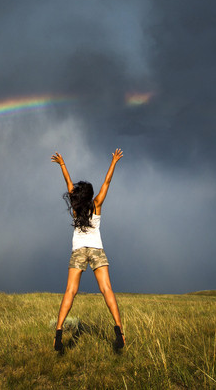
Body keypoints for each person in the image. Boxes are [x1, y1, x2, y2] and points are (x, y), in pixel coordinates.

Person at [51, 148, 125, 352]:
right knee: (106, 289)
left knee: (70, 291)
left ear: (78, 196)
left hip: (78, 251)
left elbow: (68, 184)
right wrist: (114, 162)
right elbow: (107, 182)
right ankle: (119, 331)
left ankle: (58, 333)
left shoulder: (76, 208)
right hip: (96, 250)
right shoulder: (97, 205)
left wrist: (62, 164)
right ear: (91, 195)